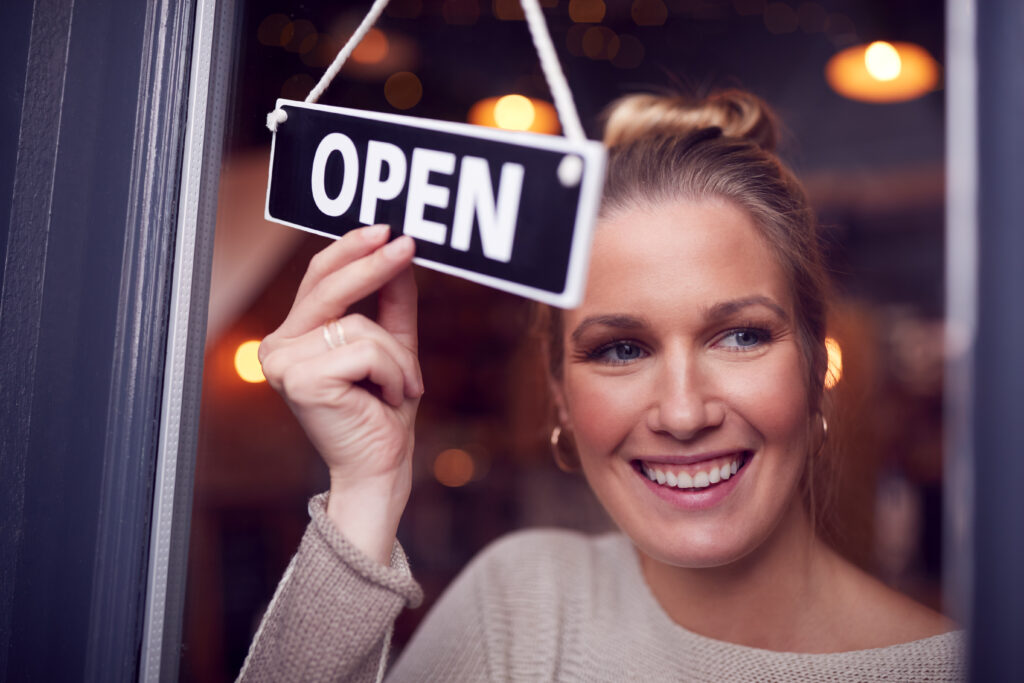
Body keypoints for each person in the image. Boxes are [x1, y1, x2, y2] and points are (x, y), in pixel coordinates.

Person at [240, 90, 963, 682]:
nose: (683, 411)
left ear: (813, 364)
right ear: (558, 391)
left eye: (740, 335)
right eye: (620, 349)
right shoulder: (521, 609)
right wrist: (365, 493)